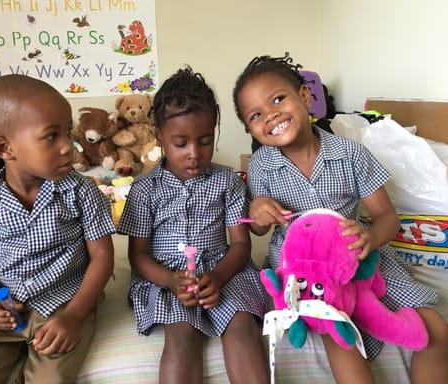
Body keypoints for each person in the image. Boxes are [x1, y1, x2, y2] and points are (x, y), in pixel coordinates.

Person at [232, 54, 448, 384]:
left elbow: (386, 217)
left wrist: (371, 239)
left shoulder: (350, 153)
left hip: (356, 254)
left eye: (279, 98)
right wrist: (259, 207)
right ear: (251, 129)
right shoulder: (261, 165)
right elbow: (259, 227)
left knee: (435, 331)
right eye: (256, 115)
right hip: (304, 266)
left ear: (305, 97)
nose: (271, 115)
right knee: (337, 330)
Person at [0, 74, 115, 384]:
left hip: (66, 303)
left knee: (50, 380)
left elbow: (103, 255)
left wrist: (75, 316)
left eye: (67, 132)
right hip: (7, 304)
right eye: (52, 136)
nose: (69, 146)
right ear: (4, 147)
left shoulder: (80, 192)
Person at [118, 67, 269, 384]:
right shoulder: (144, 189)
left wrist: (217, 276)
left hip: (223, 269)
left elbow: (241, 245)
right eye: (180, 143)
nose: (194, 154)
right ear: (159, 137)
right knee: (182, 335)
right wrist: (171, 281)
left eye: (204, 141)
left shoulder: (228, 181)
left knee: (243, 327)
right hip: (168, 275)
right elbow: (139, 257)